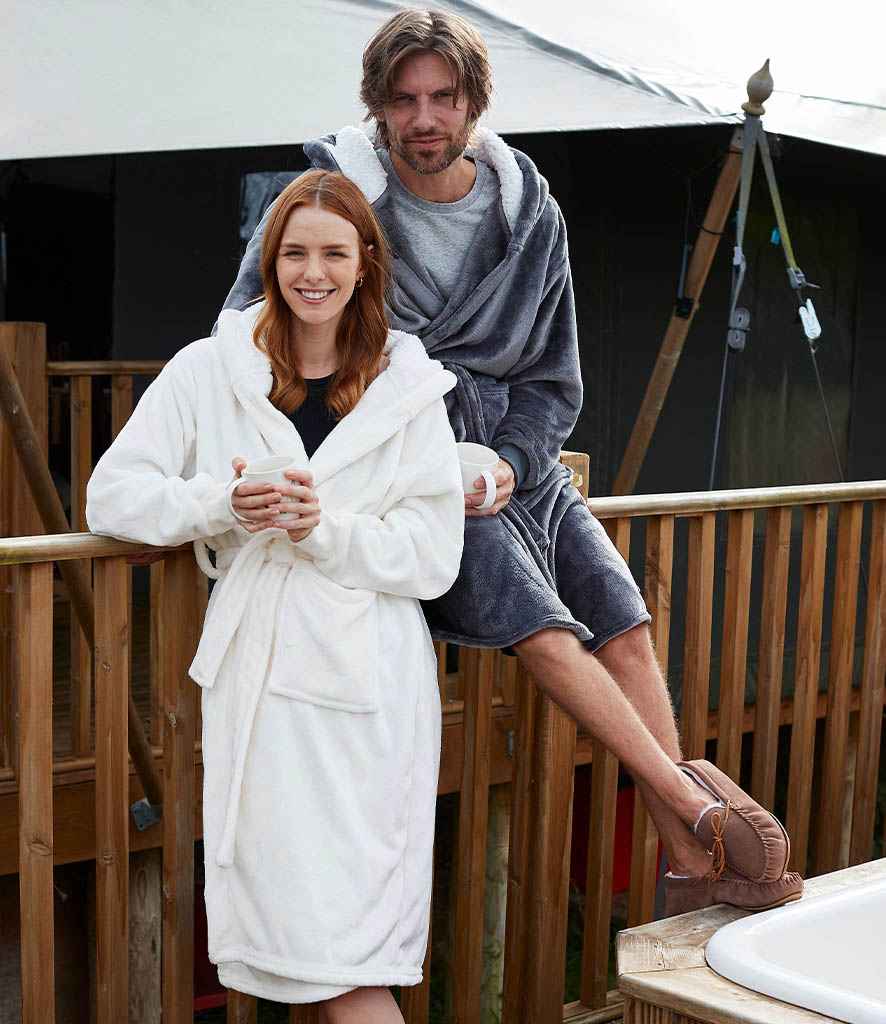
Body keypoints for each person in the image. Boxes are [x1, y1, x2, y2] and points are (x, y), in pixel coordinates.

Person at [219, 9, 803, 919]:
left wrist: (511, 459)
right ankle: (697, 810)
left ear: (474, 104)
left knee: (623, 619)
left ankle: (686, 849)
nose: (423, 120)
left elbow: (551, 379)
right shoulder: (331, 200)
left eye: (443, 98)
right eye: (403, 100)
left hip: (513, 457)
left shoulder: (531, 218)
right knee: (541, 624)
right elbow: (243, 336)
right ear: (376, 106)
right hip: (402, 464)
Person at [87, 170, 464, 1020]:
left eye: (334, 253)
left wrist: (323, 529)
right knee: (297, 942)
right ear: (270, 262)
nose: (313, 273)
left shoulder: (408, 391)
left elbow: (433, 555)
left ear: (366, 264)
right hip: (261, 688)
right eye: (295, 253)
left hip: (369, 691)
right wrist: (222, 504)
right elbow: (110, 497)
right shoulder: (210, 370)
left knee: (350, 952)